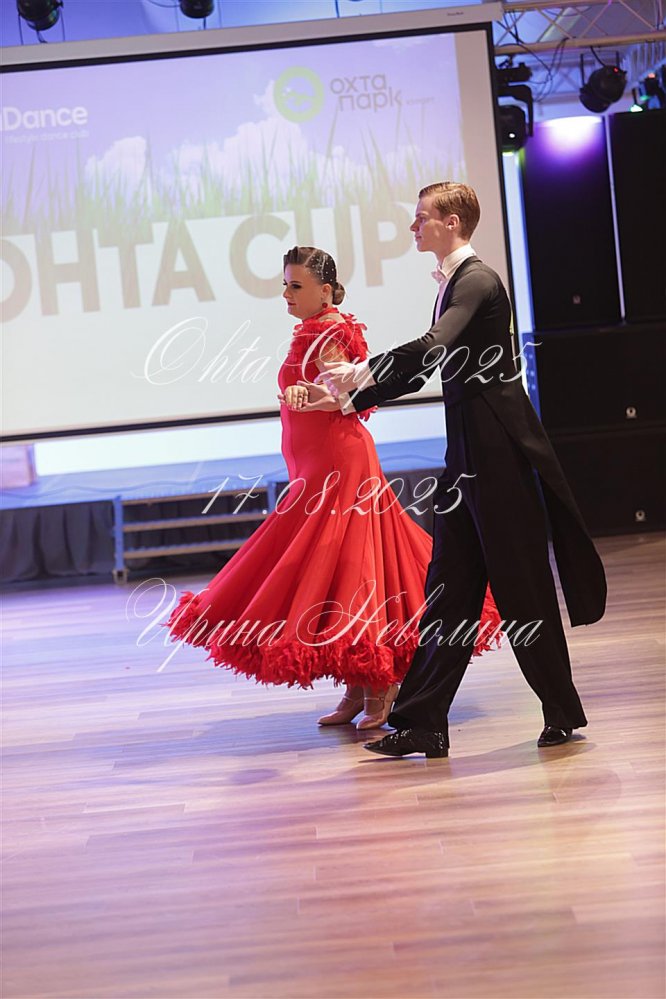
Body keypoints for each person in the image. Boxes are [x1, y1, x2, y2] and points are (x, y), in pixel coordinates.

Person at [308, 182, 607, 757]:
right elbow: (425, 369)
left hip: (499, 452)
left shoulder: (477, 281)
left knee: (521, 587)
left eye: (420, 218)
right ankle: (423, 722)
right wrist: (350, 398)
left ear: (450, 222)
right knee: (449, 589)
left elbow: (432, 345)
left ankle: (561, 711)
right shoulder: (453, 283)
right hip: (468, 455)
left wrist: (361, 373)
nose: (413, 227)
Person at [166, 244, 502, 730]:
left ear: (325, 291)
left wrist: (311, 394)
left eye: (295, 285)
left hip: (338, 465)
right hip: (315, 465)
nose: (286, 293)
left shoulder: (327, 331)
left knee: (352, 567)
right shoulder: (313, 328)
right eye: (285, 284)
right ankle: (357, 684)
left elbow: (347, 392)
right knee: (340, 569)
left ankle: (378, 683)